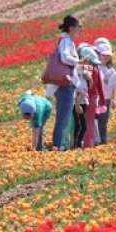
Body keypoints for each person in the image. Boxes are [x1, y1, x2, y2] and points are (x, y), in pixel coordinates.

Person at [46, 15, 82, 150]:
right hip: (65, 84)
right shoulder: (66, 41)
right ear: (71, 28)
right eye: (79, 27)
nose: (80, 30)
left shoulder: (66, 40)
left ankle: (59, 144)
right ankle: (58, 146)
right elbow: (65, 57)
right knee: (63, 117)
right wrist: (78, 61)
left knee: (63, 116)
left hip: (65, 82)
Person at [94, 38, 116, 144]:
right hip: (95, 98)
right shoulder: (94, 67)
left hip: (106, 98)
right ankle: (94, 140)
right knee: (94, 120)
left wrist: (113, 99)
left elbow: (113, 86)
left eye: (108, 55)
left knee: (103, 121)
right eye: (103, 55)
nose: (106, 57)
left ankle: (103, 141)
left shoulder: (111, 70)